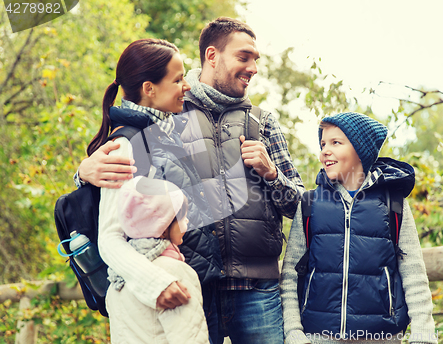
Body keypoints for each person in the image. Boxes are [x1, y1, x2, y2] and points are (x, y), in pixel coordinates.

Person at [75, 18, 304, 344]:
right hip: (193, 282)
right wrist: (83, 172)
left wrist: (272, 173)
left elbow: (298, 206)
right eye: (244, 57)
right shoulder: (168, 116)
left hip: (257, 288)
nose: (254, 68)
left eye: (257, 59)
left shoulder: (262, 123)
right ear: (212, 56)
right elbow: (123, 197)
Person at [89, 38, 223, 343]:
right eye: (177, 79)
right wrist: (156, 284)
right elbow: (110, 238)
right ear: (149, 89)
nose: (186, 86)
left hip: (188, 291)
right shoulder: (126, 144)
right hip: (160, 304)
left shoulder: (165, 134)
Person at [280, 112, 436, 344]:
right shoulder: (310, 203)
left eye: (336, 142)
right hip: (319, 336)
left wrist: (423, 334)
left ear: (360, 150)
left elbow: (413, 272)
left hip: (381, 335)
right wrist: (293, 331)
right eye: (323, 143)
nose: (325, 150)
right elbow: (291, 274)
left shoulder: (393, 204)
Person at [106, 177, 209, 344]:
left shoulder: (117, 278)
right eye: (182, 217)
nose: (187, 221)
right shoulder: (173, 273)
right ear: (162, 227)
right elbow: (191, 338)